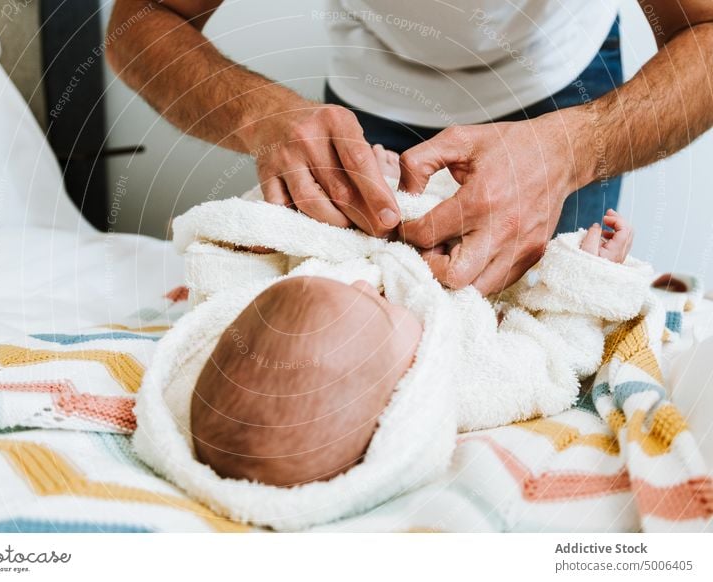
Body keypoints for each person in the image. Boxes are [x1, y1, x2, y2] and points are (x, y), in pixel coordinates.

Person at [107, 1, 713, 295]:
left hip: (562, 91)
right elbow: (141, 22)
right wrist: (260, 116)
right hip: (370, 87)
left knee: (560, 297)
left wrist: (574, 150)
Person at [190, 146, 638, 487]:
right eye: (378, 310)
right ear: (392, 408)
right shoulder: (459, 384)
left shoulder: (323, 298)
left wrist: (368, 191)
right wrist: (589, 273)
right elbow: (551, 356)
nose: (364, 287)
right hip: (511, 247)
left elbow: (267, 248)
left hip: (408, 182)